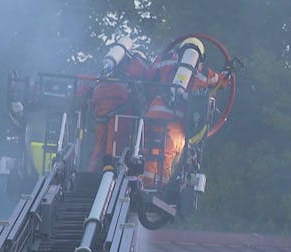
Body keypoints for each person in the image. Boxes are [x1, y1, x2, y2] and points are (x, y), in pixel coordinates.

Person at [141, 37, 230, 188]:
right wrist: (227, 73)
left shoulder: (166, 61)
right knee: (167, 153)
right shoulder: (203, 72)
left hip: (152, 115)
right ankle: (158, 188)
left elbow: (149, 74)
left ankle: (140, 182)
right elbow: (220, 82)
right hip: (175, 121)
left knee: (146, 148)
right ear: (200, 57)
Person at [86, 38, 150, 171]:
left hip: (100, 92)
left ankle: (92, 171)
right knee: (116, 137)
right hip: (119, 97)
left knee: (101, 138)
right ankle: (110, 168)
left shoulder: (113, 60)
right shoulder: (138, 61)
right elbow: (147, 80)